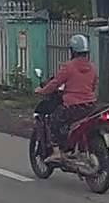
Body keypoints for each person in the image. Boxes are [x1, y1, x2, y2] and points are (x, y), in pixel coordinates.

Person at [35, 33, 98, 164]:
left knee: (53, 121)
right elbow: (93, 86)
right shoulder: (92, 67)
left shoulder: (69, 67)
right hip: (91, 106)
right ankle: (79, 150)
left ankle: (57, 152)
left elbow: (55, 83)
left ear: (72, 51)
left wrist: (42, 91)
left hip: (72, 107)